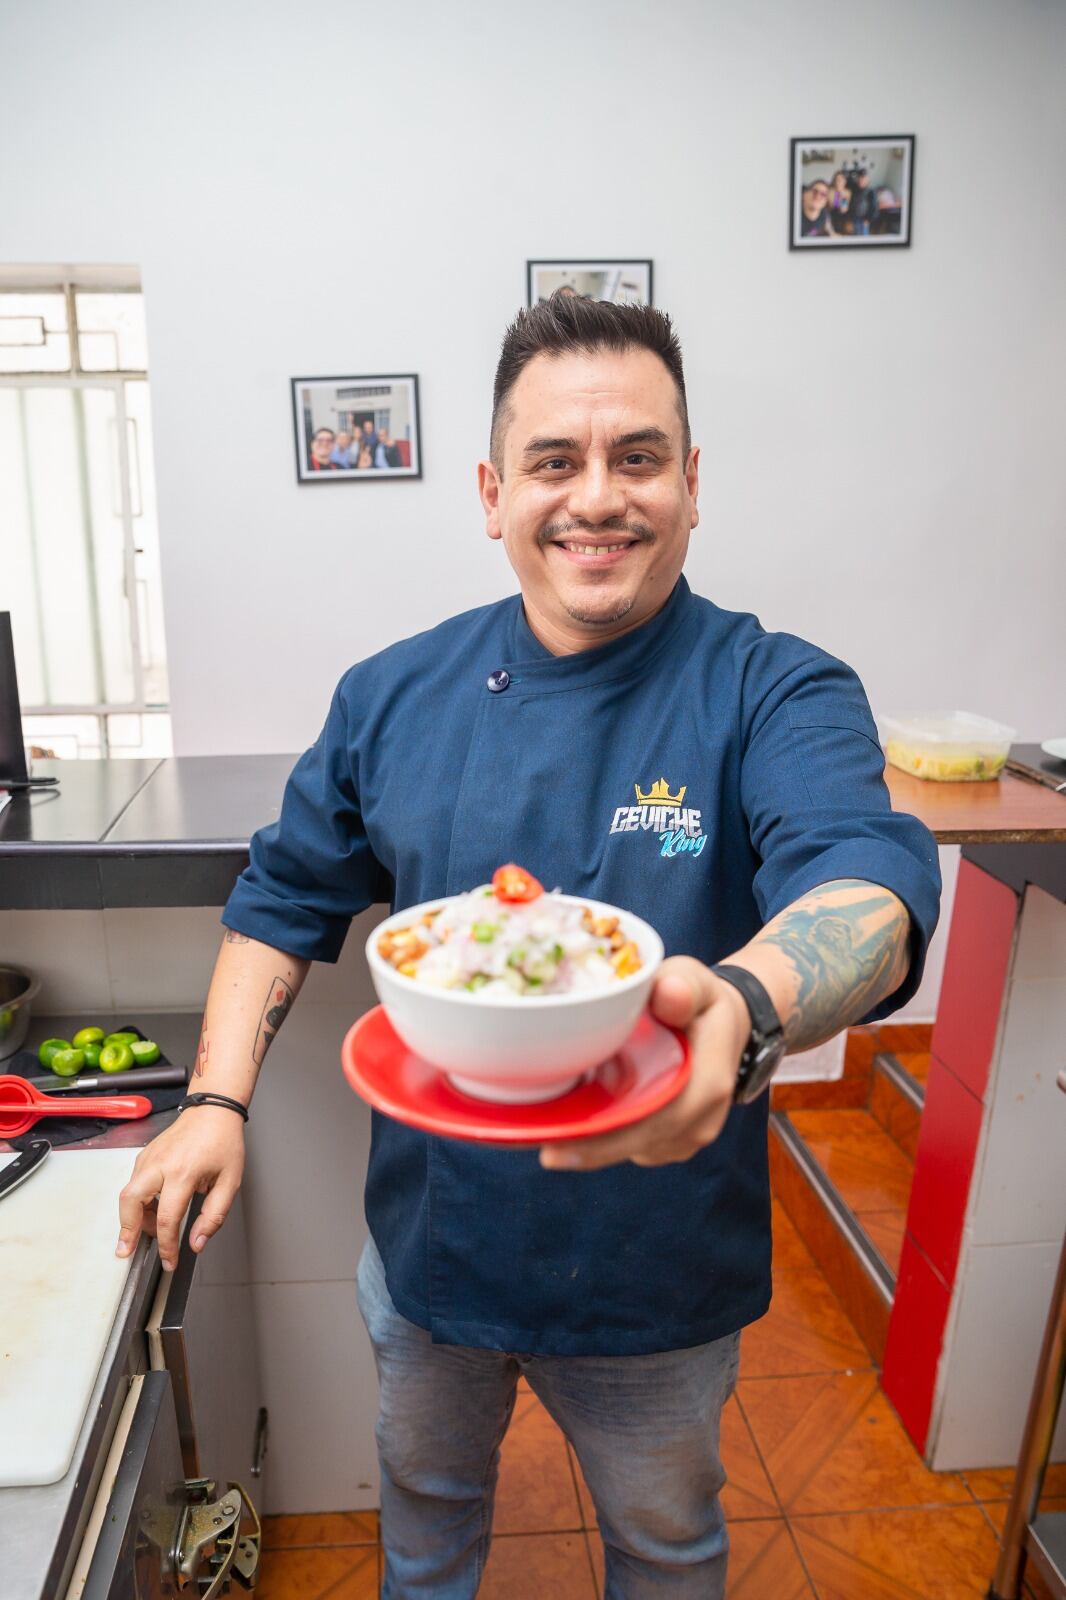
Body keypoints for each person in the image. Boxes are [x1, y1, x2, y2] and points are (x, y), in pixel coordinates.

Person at [116, 294, 940, 1599]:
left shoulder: (775, 686)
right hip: (432, 1254)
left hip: (656, 1276)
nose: (595, 499)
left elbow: (867, 879)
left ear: (691, 483)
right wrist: (214, 1101)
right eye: (555, 462)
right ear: (493, 491)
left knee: (664, 1548)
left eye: (638, 458)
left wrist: (740, 1002)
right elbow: (282, 900)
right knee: (427, 1530)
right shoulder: (392, 695)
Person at [848, 167, 880, 236]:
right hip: (854, 216)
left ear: (868, 180)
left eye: (864, 178)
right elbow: (848, 178)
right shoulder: (854, 187)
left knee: (863, 235)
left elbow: (874, 207)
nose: (861, 180)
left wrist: (868, 219)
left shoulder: (871, 191)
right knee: (856, 233)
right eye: (860, 178)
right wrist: (854, 171)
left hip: (864, 219)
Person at [826, 169, 852, 236]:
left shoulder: (847, 192)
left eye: (841, 179)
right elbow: (829, 207)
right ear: (834, 181)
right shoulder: (829, 191)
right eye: (837, 179)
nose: (839, 181)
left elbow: (845, 209)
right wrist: (836, 196)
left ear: (845, 181)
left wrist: (842, 197)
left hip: (843, 217)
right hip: (831, 216)